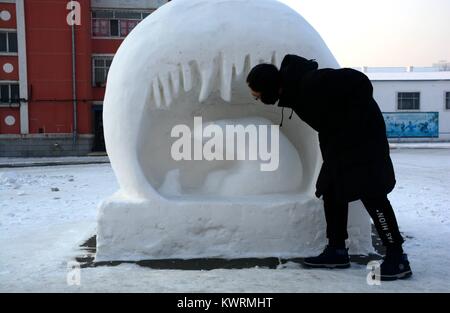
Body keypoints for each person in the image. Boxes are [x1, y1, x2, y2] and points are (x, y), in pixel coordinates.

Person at [246, 54, 412, 281]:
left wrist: (352, 128)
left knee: (372, 194)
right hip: (341, 147)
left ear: (269, 87)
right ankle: (337, 250)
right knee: (331, 189)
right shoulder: (295, 92)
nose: (258, 99)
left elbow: (358, 81)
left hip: (363, 143)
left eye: (257, 96)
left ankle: (397, 257)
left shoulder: (310, 82)